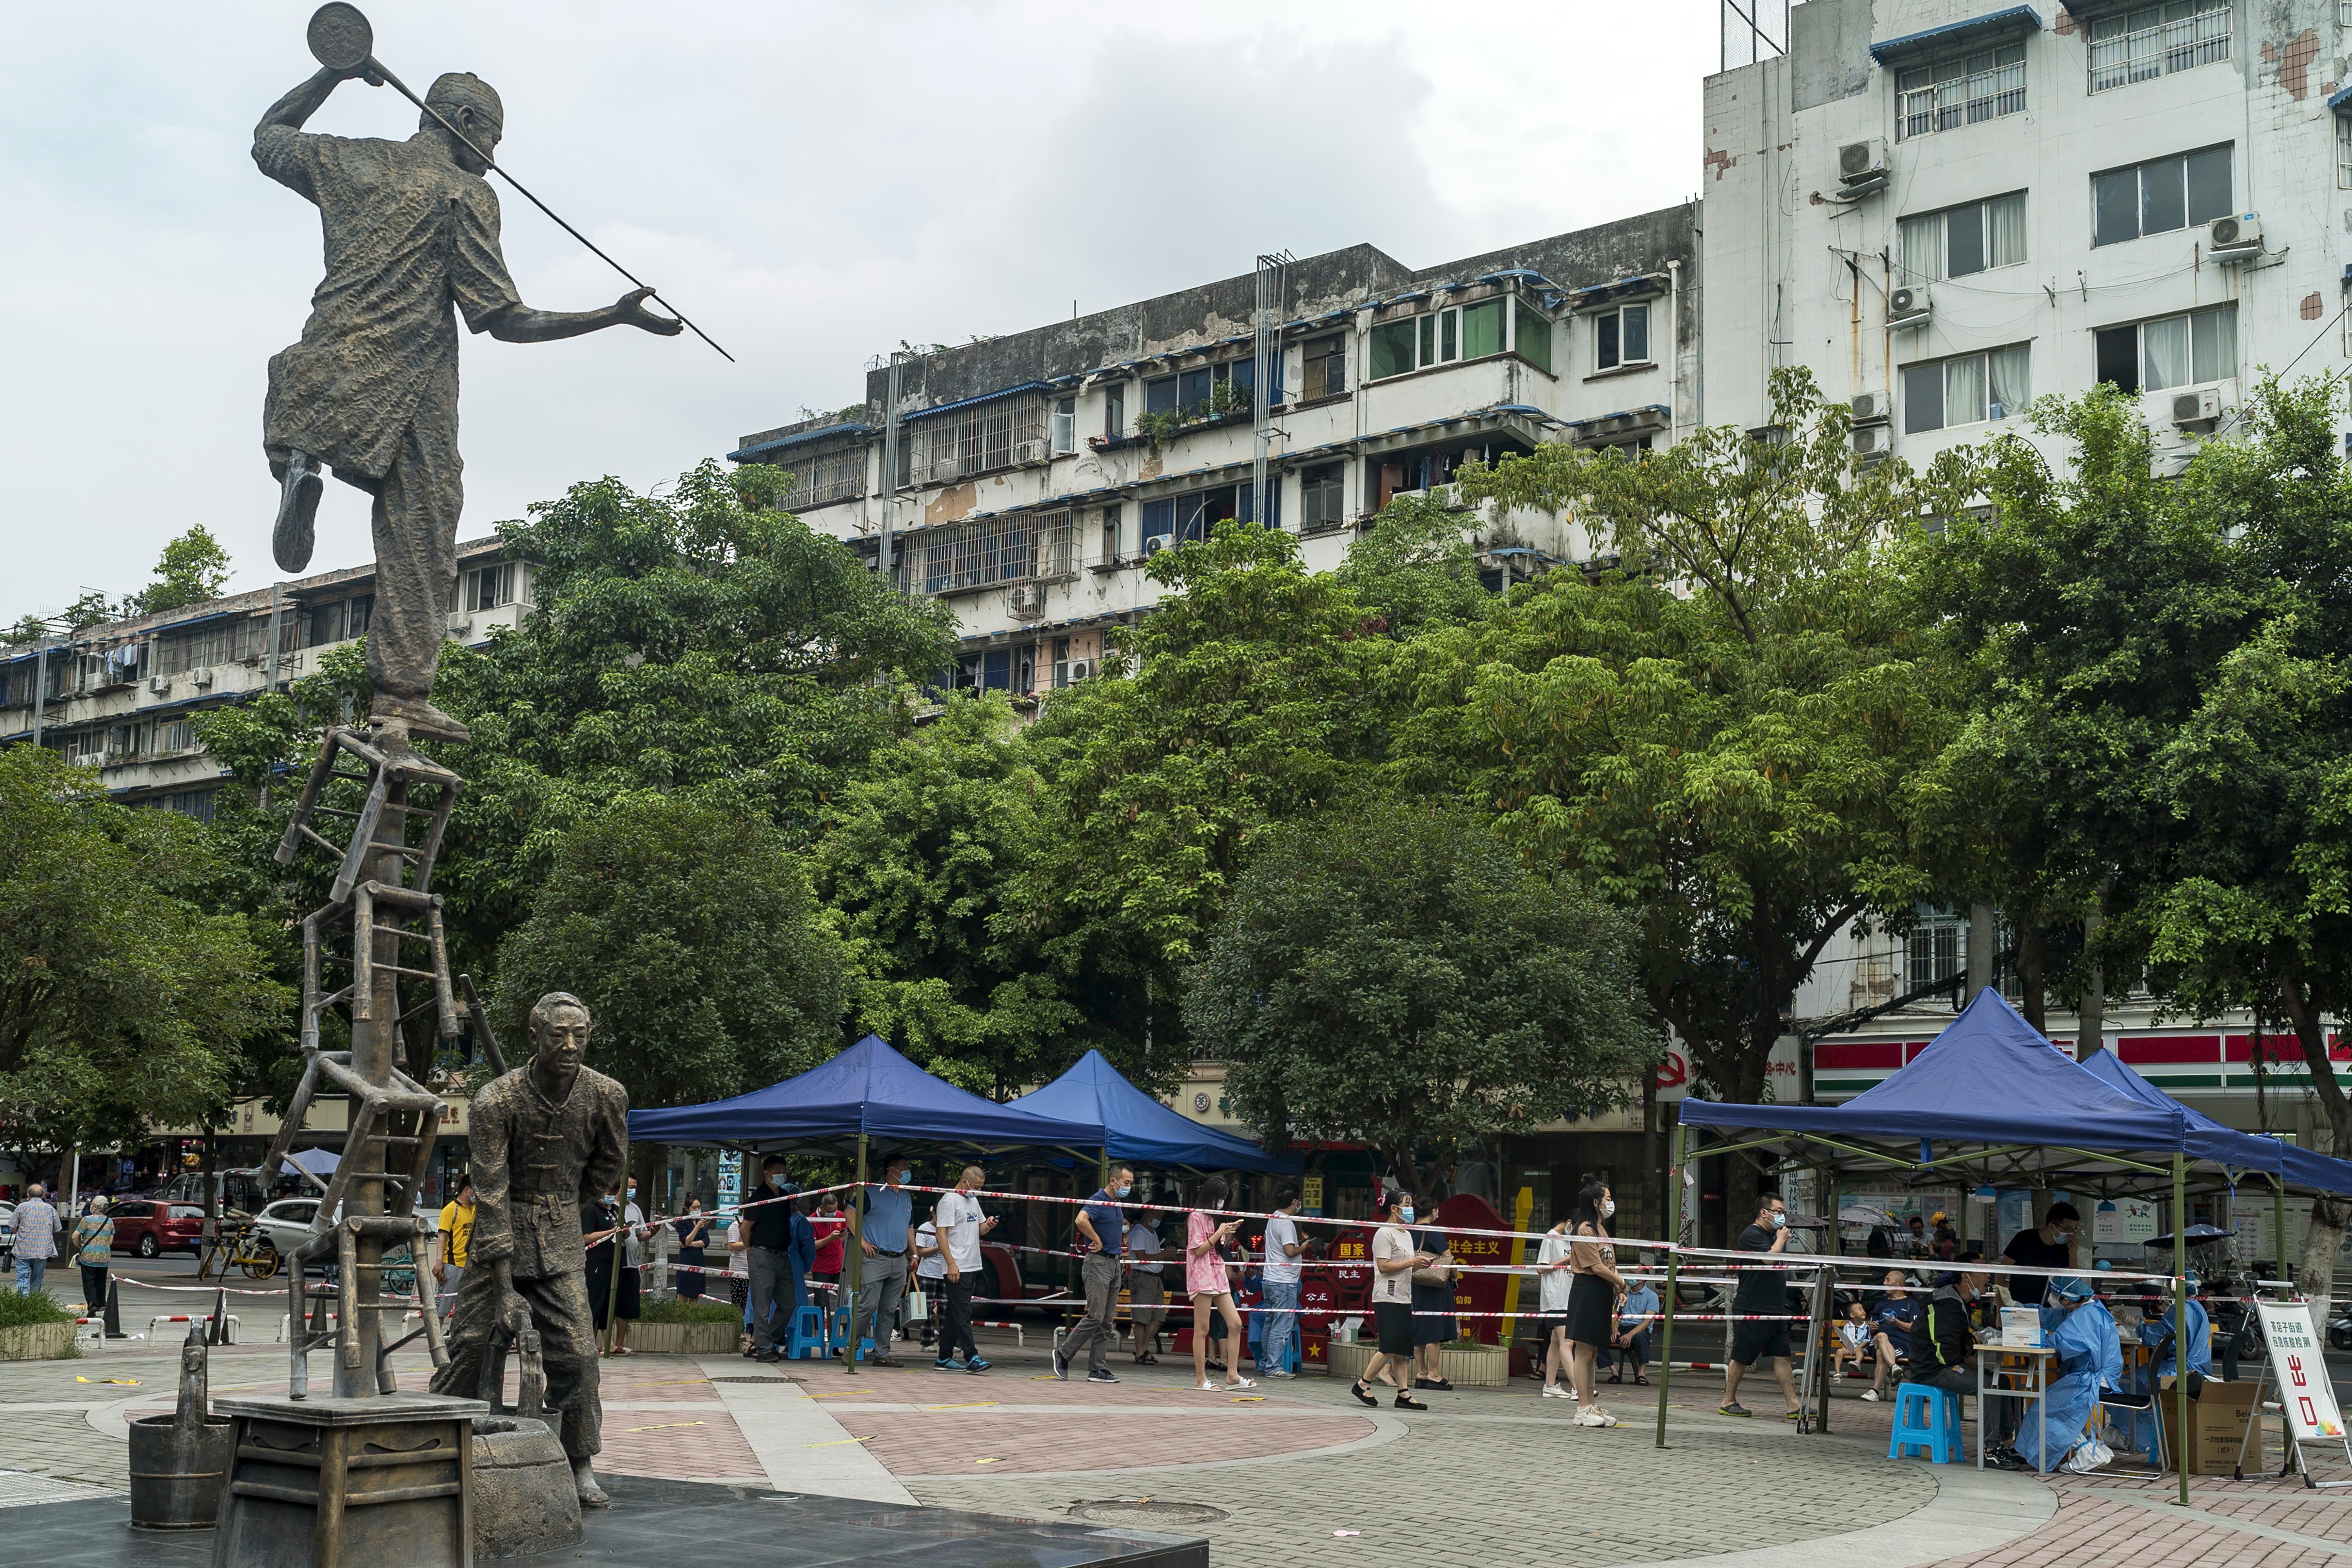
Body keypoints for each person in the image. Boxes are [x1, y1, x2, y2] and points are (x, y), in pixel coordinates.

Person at [250, 54, 681, 742]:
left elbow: (269, 135)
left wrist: (331, 74)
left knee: (304, 395)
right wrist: (613, 315)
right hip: (415, 379)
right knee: (423, 530)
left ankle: (298, 461)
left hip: (331, 363)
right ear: (462, 123)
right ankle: (401, 694)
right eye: (492, 139)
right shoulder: (465, 195)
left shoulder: (349, 161)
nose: (492, 157)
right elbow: (506, 320)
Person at [428, 993, 628, 1507]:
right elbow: (489, 1192)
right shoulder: (495, 1100)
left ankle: (578, 1462)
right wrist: (502, 1290)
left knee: (580, 1354)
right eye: (558, 1034)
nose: (569, 1045)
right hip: (499, 1241)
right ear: (535, 1035)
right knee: (470, 1343)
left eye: (579, 1035)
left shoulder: (606, 1095)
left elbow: (609, 1165)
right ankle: (435, 1447)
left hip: (559, 1240)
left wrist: (563, 1204)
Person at [2011, 1274, 2125, 1472]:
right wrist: (2015, 1306)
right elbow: (2049, 1317)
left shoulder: (2085, 1316)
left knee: (2045, 1408)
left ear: (2066, 1299)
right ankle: (2096, 1447)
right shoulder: (2088, 1308)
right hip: (2096, 1375)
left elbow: (2066, 1342)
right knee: (2061, 1408)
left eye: (2057, 1297)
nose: (2054, 1301)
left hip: (2093, 1378)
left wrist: (2040, 1338)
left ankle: (2088, 1452)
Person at [1904, 1259, 2016, 1451]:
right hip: (1933, 1370)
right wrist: (1973, 1363)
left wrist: (1974, 1359)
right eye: (1983, 1271)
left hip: (1947, 1363)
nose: (1988, 1276)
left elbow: (1961, 1346)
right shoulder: (1946, 1305)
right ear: (1966, 1277)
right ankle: (1991, 1449)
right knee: (1989, 1385)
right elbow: (1946, 1355)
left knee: (2002, 1381)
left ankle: (2007, 1442)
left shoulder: (1961, 1303)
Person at [1721, 1193, 1802, 1420]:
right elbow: (1768, 1260)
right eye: (1778, 1211)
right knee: (1742, 1356)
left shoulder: (1771, 1235)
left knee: (1782, 1356)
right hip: (1753, 1307)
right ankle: (1729, 1400)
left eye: (1783, 1211)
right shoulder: (1752, 1235)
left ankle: (1793, 1405)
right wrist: (1782, 1239)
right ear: (1764, 1213)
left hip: (1775, 1309)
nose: (1782, 1216)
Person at [1349, 1189, 1431, 1411]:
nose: (1411, 1209)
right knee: (1389, 1345)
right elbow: (1384, 1267)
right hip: (1387, 1296)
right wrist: (1412, 1262)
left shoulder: (1405, 1233)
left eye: (1411, 1204)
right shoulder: (1384, 1233)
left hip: (1404, 1297)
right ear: (1394, 1209)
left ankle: (1403, 1394)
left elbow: (1405, 1264)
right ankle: (1363, 1383)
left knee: (1402, 1347)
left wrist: (1418, 1264)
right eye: (1406, 1204)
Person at [1056, 1165, 1135, 1384]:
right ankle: (1063, 1353)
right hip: (1098, 1264)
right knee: (1096, 1316)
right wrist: (1097, 1240)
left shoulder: (1117, 1204)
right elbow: (1081, 1220)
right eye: (1127, 1183)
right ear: (1114, 1181)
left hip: (1114, 1264)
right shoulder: (1098, 1200)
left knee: (1107, 1321)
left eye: (1131, 1183)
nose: (1129, 1187)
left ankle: (1097, 1368)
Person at [2120, 1272, 2211, 1456]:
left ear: (2173, 1286)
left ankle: (2139, 1438)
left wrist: (2139, 1326)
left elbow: (2164, 1338)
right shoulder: (2197, 1307)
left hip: (2179, 1369)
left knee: (2125, 1384)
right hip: (2196, 1367)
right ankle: (2137, 1436)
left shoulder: (2180, 1311)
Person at [1562, 1179, 1627, 1427]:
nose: (1611, 1204)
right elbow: (1596, 1266)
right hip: (1587, 1290)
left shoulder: (1601, 1229)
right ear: (1596, 1202)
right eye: (1608, 1199)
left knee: (1593, 1354)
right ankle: (1582, 1407)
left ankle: (1591, 1405)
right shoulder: (1585, 1230)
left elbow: (1609, 1263)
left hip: (1602, 1291)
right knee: (1584, 1350)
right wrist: (1621, 1283)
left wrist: (1617, 1288)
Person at [1185, 1176, 1255, 1392]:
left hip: (1217, 1274)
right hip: (1202, 1275)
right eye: (1220, 1198)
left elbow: (1215, 1247)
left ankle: (1232, 1375)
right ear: (1211, 1196)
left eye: (1225, 1199)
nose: (1222, 1202)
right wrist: (1220, 1232)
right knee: (1203, 1329)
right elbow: (1198, 1250)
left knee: (1235, 1323)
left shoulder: (1213, 1218)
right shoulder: (1196, 1217)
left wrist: (1227, 1235)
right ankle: (1200, 1379)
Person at [849, 1157, 918, 1368]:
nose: (907, 1172)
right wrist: (862, 1242)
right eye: (904, 1168)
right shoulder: (871, 1192)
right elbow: (849, 1213)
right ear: (891, 1171)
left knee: (889, 1310)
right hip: (875, 1257)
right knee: (868, 1306)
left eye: (908, 1168)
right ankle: (852, 1348)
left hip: (898, 1259)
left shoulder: (907, 1197)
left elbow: (909, 1227)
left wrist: (914, 1254)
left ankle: (883, 1353)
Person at [935, 1165, 998, 1372]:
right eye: (976, 1187)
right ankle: (972, 1356)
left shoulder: (974, 1201)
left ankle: (944, 1357)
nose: (978, 1191)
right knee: (963, 1311)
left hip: (972, 1264)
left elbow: (979, 1228)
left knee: (955, 1311)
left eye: (981, 1187)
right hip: (958, 1265)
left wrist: (988, 1225)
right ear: (965, 1182)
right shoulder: (949, 1201)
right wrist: (951, 1263)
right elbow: (941, 1234)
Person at [584, 1190, 640, 1356]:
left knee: (608, 1305)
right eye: (610, 1192)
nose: (612, 1196)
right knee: (594, 1303)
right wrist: (611, 1232)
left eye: (614, 1192)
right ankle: (590, 1343)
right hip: (597, 1264)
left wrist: (626, 1231)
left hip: (614, 1264)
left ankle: (611, 1344)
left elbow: (622, 1231)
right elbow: (586, 1237)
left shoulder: (614, 1210)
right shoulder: (591, 1210)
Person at [1259, 1186, 1306, 1379]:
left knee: (1270, 1324)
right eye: (1299, 1201)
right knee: (1282, 1326)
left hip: (1271, 1279)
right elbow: (1289, 1251)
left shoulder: (1274, 1218)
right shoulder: (1286, 1223)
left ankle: (1265, 1363)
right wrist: (1303, 1247)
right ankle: (1273, 1367)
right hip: (1284, 1282)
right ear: (1294, 1202)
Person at [1410, 1212, 1459, 1392]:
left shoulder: (1409, 1231)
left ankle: (1421, 1373)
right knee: (1433, 1330)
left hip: (1417, 1284)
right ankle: (1434, 1374)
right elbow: (1449, 1258)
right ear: (1434, 1212)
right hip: (1435, 1288)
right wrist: (1456, 1275)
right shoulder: (1433, 1232)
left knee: (1420, 1329)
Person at [2000, 1202, 2080, 1307]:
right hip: (2019, 1307)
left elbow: (2073, 1281)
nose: (2071, 1234)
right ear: (2052, 1227)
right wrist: (2000, 1308)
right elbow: (2000, 1274)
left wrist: (2074, 1254)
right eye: (2068, 1230)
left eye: (2074, 1230)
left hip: (2050, 1310)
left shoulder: (2067, 1248)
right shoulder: (2024, 1239)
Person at [1535, 1209, 1577, 1401]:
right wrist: (1565, 1261)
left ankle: (1550, 1385)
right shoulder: (1551, 1238)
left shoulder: (1571, 1241)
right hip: (1555, 1298)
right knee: (1567, 1342)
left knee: (1556, 1342)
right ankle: (1579, 1387)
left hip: (1568, 1297)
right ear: (1569, 1223)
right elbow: (1541, 1268)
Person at [1861, 1270, 1921, 1401]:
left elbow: (1915, 1328)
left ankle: (1874, 1391)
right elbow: (1870, 1331)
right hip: (1877, 1342)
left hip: (1901, 1345)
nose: (1884, 1283)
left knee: (1881, 1354)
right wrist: (1872, 1329)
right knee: (1882, 1336)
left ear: (1899, 1284)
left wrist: (1896, 1322)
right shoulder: (1880, 1304)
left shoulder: (1912, 1304)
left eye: (1888, 1280)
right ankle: (1894, 1366)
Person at [1127, 1214, 1169, 1364]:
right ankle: (1140, 1353)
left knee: (1158, 1318)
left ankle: (1144, 1348)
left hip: (1155, 1277)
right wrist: (1164, 1254)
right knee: (1142, 1319)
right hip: (1143, 1277)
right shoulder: (1139, 1232)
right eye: (1158, 1214)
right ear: (1148, 1214)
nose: (1160, 1218)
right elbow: (1140, 1256)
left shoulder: (1153, 1231)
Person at [72, 1197, 116, 1333]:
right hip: (104, 1256)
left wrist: (81, 1245)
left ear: (96, 1207)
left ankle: (92, 1303)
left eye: (92, 1205)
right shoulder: (110, 1222)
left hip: (89, 1256)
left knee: (89, 1281)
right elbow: (110, 1241)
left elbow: (75, 1236)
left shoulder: (87, 1220)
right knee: (101, 1281)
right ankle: (101, 1303)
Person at [434, 1175, 475, 1321]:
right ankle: (435, 1341)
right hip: (452, 1265)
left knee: (467, 1309)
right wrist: (439, 1262)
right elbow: (442, 1238)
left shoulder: (476, 1209)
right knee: (440, 1310)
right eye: (475, 1190)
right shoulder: (450, 1210)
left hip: (471, 1266)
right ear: (467, 1190)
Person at [1608, 1274, 1658, 1385]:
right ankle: (1614, 1372)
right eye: (1630, 1272)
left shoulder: (1652, 1296)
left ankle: (1642, 1374)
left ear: (1644, 1278)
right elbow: (1616, 1314)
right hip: (1622, 1327)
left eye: (1634, 1273)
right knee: (1596, 1339)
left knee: (1641, 1339)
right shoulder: (1623, 1294)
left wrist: (1631, 1334)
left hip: (1639, 1329)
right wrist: (1615, 1329)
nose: (1631, 1276)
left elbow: (1648, 1321)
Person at [12, 1183, 57, 1294]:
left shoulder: (22, 1207)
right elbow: (57, 1228)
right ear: (43, 1195)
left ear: (28, 1195)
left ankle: (24, 1301)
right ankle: (34, 1300)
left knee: (22, 1276)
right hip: (42, 1250)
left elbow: (12, 1227)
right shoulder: (50, 1209)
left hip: (23, 1248)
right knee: (37, 1277)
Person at [810, 1192, 847, 1320]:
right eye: (830, 1211)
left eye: (835, 1209)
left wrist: (837, 1242)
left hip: (838, 1266)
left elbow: (844, 1235)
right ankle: (820, 1331)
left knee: (844, 1299)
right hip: (821, 1268)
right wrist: (830, 1239)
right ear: (822, 1208)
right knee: (821, 1302)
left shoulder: (840, 1216)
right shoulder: (813, 1220)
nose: (833, 1213)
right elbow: (813, 1245)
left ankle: (841, 1329)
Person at [913, 1216, 946, 1351]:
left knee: (946, 1309)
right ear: (934, 1215)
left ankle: (947, 1342)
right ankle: (927, 1343)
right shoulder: (924, 1228)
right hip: (928, 1272)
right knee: (926, 1309)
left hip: (945, 1272)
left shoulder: (948, 1229)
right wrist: (939, 1247)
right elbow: (919, 1251)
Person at [673, 1197, 711, 1302]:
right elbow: (686, 1240)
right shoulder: (682, 1222)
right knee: (683, 1294)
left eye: (699, 1207)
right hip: (686, 1259)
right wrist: (697, 1228)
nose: (697, 1210)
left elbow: (706, 1242)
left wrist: (690, 1244)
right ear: (688, 1209)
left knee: (695, 1296)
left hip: (698, 1259)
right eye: (694, 1208)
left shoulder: (702, 1221)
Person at [1831, 1300, 1872, 1382]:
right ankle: (1838, 1374)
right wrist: (1848, 1348)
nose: (1863, 1311)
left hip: (1861, 1349)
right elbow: (1844, 1339)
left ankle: (1857, 1362)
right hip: (1849, 1348)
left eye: (1863, 1309)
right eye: (1860, 1309)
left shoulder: (1866, 1327)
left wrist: (1857, 1348)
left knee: (1860, 1351)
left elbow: (1867, 1340)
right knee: (1840, 1351)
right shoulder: (1847, 1327)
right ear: (1853, 1315)